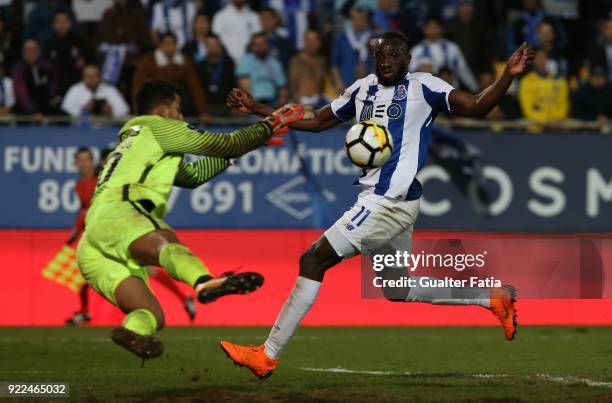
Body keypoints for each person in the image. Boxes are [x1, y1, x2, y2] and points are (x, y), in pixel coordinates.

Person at [221, 31, 533, 379]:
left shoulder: (424, 86)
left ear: (407, 59)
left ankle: (267, 354)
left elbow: (477, 106)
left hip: (387, 201)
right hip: (396, 201)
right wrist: (260, 109)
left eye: (394, 55)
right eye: (381, 56)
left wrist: (506, 75)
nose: (386, 62)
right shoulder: (361, 88)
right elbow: (318, 120)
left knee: (313, 259)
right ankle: (492, 298)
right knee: (398, 289)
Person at [76, 80, 307, 360]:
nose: (182, 118)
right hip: (120, 213)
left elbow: (194, 176)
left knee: (150, 314)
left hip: (92, 242)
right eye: (178, 110)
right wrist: (271, 122)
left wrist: (247, 145)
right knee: (166, 243)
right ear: (162, 111)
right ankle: (204, 282)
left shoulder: (137, 141)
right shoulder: (158, 127)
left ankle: (132, 331)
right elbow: (223, 143)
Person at [66, 147, 199, 325]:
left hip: (118, 232)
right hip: (102, 234)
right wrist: (76, 229)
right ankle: (183, 298)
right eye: (80, 160)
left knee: (145, 269)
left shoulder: (102, 183)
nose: (83, 164)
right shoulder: (80, 185)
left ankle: (180, 299)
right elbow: (86, 210)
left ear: (93, 162)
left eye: (86, 159)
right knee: (84, 273)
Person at [132, 32, 209, 121]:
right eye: (166, 44)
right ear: (160, 45)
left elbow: (195, 88)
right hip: (154, 107)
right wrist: (138, 113)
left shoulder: (184, 62)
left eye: (172, 44)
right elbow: (137, 88)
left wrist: (203, 111)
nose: (169, 47)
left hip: (177, 107)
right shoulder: (148, 61)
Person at [409, 16, 479, 92]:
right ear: (424, 30)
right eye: (429, 26)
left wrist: (475, 89)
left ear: (441, 29)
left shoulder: (452, 48)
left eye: (435, 26)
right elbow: (411, 74)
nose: (432, 29)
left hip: (452, 91)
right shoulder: (417, 51)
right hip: (427, 93)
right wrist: (419, 71)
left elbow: (463, 70)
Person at [43, 10, 93, 95]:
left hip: (77, 84)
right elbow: (45, 65)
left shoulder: (79, 41)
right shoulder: (49, 43)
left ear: (70, 23)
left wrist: (84, 63)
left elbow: (90, 61)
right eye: (58, 21)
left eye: (64, 21)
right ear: (54, 24)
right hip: (56, 85)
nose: (61, 25)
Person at [11, 40, 61, 119]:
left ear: (38, 52)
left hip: (45, 105)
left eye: (34, 50)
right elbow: (22, 94)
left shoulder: (47, 66)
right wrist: (33, 112)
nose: (30, 54)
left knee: (63, 116)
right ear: (23, 53)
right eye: (27, 51)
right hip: (26, 108)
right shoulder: (18, 69)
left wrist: (52, 99)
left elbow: (54, 84)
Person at [518, 48, 568, 123]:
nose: (541, 61)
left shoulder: (560, 81)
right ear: (533, 61)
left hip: (558, 127)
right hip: (536, 129)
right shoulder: (526, 81)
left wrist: (557, 119)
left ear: (548, 60)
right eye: (538, 58)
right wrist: (545, 122)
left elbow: (564, 104)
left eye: (544, 58)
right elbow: (528, 108)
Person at [236, 33, 287, 106]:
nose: (260, 46)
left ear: (268, 45)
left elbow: (281, 86)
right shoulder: (245, 62)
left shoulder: (275, 63)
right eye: (257, 44)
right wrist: (252, 104)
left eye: (263, 43)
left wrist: (282, 101)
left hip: (272, 102)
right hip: (253, 102)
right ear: (252, 47)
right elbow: (244, 86)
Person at [61, 64, 129, 119]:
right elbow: (65, 110)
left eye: (94, 75)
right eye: (87, 76)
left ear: (100, 77)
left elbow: (124, 110)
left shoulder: (110, 90)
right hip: (81, 130)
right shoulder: (75, 89)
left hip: (106, 129)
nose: (91, 79)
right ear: (83, 77)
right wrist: (83, 111)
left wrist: (111, 112)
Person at [330, 8, 373, 93]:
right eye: (355, 19)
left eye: (361, 19)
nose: (358, 22)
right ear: (351, 21)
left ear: (366, 21)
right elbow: (334, 64)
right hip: (345, 86)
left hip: (368, 88)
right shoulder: (341, 39)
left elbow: (377, 64)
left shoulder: (373, 39)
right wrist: (338, 82)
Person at [194, 35, 237, 116]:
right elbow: (197, 90)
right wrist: (202, 110)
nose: (212, 48)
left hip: (226, 105)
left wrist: (235, 106)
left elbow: (234, 86)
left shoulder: (229, 64)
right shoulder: (199, 66)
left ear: (220, 46)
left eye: (215, 45)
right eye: (210, 45)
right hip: (207, 106)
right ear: (205, 48)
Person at [288, 30, 327, 108]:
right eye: (308, 40)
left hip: (318, 102)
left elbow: (322, 82)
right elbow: (293, 82)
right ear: (304, 42)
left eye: (314, 41)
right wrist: (297, 102)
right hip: (301, 101)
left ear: (319, 43)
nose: (310, 44)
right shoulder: (296, 60)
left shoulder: (322, 61)